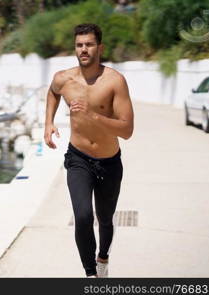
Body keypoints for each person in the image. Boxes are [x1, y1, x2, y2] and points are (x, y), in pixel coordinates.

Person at [44, 23, 134, 278]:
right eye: (79, 45)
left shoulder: (115, 81)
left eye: (89, 44)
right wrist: (48, 122)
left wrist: (93, 116)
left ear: (100, 47)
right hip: (78, 158)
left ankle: (103, 257)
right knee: (83, 216)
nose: (84, 49)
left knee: (105, 219)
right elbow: (52, 93)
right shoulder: (64, 79)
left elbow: (127, 130)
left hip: (109, 162)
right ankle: (91, 275)